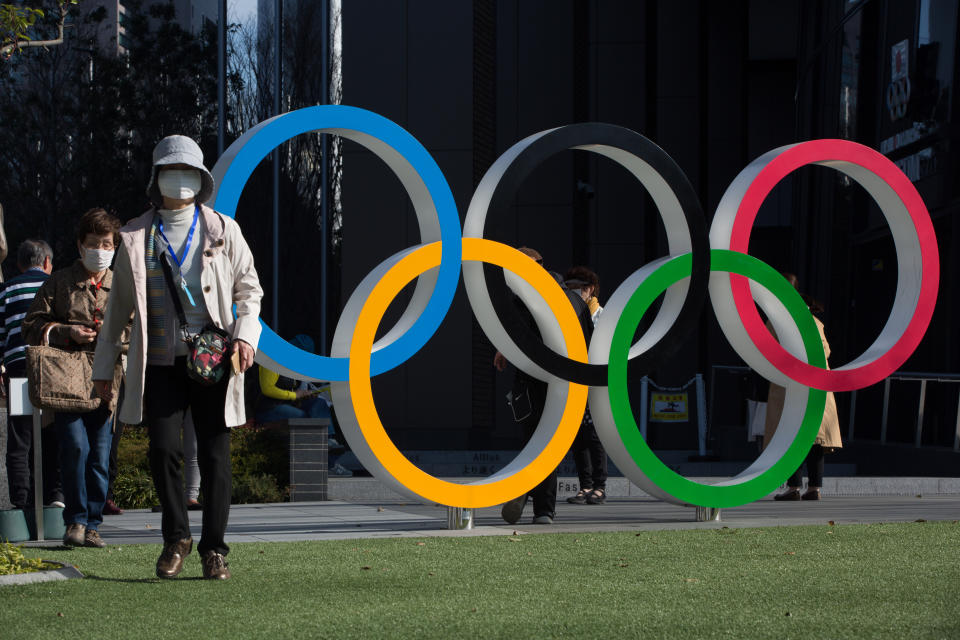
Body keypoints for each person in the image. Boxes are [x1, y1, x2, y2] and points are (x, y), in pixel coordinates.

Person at [92, 134, 263, 580]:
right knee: (163, 448)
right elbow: (117, 312)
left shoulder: (224, 229)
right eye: (172, 171)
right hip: (161, 360)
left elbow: (250, 290)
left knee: (214, 453)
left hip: (214, 358)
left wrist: (245, 337)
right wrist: (103, 369)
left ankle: (215, 549)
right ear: (157, 178)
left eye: (189, 171)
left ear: (202, 179)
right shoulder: (134, 236)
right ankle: (176, 539)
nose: (181, 179)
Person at [22, 210, 126, 548]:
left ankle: (93, 524)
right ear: (80, 246)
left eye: (106, 244)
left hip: (107, 378)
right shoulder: (60, 281)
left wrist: (112, 336)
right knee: (75, 447)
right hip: (65, 378)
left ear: (115, 246)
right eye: (93, 243)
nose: (100, 249)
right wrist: (66, 331)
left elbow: (138, 328)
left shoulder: (122, 283)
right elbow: (31, 324)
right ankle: (75, 521)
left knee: (100, 454)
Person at [497, 248, 593, 525]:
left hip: (535, 378)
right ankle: (542, 508)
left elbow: (519, 333)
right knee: (549, 444)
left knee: (536, 442)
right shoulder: (574, 300)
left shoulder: (528, 298)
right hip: (568, 381)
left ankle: (526, 492)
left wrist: (505, 349)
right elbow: (589, 341)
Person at [764, 273, 842, 501]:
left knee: (791, 436)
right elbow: (825, 352)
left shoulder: (777, 320)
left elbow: (767, 351)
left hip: (792, 385)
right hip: (816, 384)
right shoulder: (814, 321)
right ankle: (814, 488)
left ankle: (794, 487)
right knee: (814, 438)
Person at [1, 239, 61, 512]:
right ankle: (54, 494)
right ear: (47, 262)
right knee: (53, 430)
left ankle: (21, 498)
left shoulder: (6, 290)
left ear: (19, 264)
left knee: (20, 433)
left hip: (17, 367)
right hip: (53, 367)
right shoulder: (55, 285)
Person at [563, 266, 608, 505]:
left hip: (595, 382)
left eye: (574, 289)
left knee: (594, 434)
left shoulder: (601, 314)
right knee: (578, 435)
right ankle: (585, 485)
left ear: (588, 290)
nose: (570, 294)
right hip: (575, 379)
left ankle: (599, 486)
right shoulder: (566, 313)